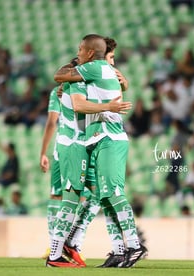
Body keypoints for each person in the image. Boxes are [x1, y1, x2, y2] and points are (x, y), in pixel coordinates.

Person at [53, 34, 147, 268]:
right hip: (94, 139)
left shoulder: (97, 68)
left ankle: (134, 246)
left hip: (108, 138)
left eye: (81, 49)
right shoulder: (92, 73)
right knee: (105, 197)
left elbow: (61, 78)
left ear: (90, 53)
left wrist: (73, 68)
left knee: (113, 193)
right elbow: (69, 90)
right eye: (111, 57)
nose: (114, 65)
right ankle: (118, 250)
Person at [39, 84, 63, 258]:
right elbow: (51, 122)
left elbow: (51, 122)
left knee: (57, 195)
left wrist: (43, 153)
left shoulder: (58, 90)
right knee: (83, 197)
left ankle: (57, 246)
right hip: (84, 146)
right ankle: (68, 246)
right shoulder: (59, 90)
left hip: (64, 147)